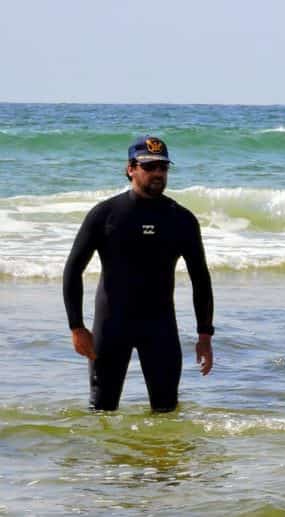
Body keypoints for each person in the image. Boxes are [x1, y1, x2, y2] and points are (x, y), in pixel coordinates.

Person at [62, 135, 215, 412]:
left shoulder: (181, 220)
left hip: (160, 328)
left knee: (166, 413)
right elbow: (73, 270)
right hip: (111, 327)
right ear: (131, 168)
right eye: (150, 166)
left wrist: (205, 335)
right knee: (102, 412)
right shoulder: (104, 214)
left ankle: (159, 457)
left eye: (163, 167)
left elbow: (201, 279)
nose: (158, 173)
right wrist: (77, 326)